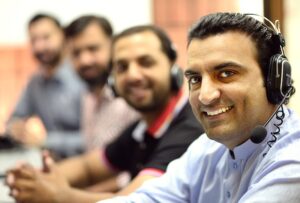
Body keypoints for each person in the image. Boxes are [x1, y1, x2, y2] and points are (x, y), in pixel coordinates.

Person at [97, 12, 300, 203]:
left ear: (275, 80)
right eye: (195, 79)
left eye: (226, 74)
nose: (205, 95)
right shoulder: (206, 148)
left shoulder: (292, 163)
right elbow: (148, 199)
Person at [6, 25, 204, 203]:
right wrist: (34, 179)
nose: (133, 75)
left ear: (173, 69)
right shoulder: (141, 129)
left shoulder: (189, 129)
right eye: (122, 67)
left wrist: (58, 196)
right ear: (113, 81)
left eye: (146, 62)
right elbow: (88, 167)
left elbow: (136, 201)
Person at [6, 13, 85, 159]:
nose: (39, 46)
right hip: (53, 164)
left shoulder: (84, 75)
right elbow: (14, 118)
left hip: (90, 167)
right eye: (34, 40)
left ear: (62, 35)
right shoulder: (35, 82)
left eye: (46, 38)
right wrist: (15, 128)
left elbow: (95, 138)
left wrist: (45, 141)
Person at [64, 15, 139, 150]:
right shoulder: (87, 97)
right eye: (76, 53)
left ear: (113, 45)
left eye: (93, 49)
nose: (84, 60)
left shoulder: (131, 97)